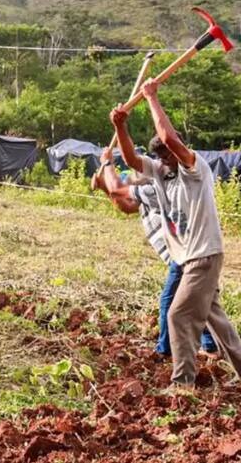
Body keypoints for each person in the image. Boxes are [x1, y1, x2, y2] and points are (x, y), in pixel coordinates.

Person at [110, 79, 241, 388]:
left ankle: (182, 384)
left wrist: (151, 98)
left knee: (177, 315)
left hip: (203, 256)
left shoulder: (194, 168)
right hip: (188, 259)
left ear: (179, 151)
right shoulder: (161, 172)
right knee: (218, 324)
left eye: (168, 154)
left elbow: (170, 138)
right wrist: (120, 126)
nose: (164, 160)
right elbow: (132, 160)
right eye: (160, 156)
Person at [92, 147, 218, 358]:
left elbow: (118, 190)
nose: (129, 179)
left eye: (131, 176)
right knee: (201, 300)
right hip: (186, 252)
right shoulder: (143, 191)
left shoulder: (153, 186)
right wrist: (106, 188)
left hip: (186, 253)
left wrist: (107, 165)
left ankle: (165, 350)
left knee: (169, 302)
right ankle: (212, 346)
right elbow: (126, 205)